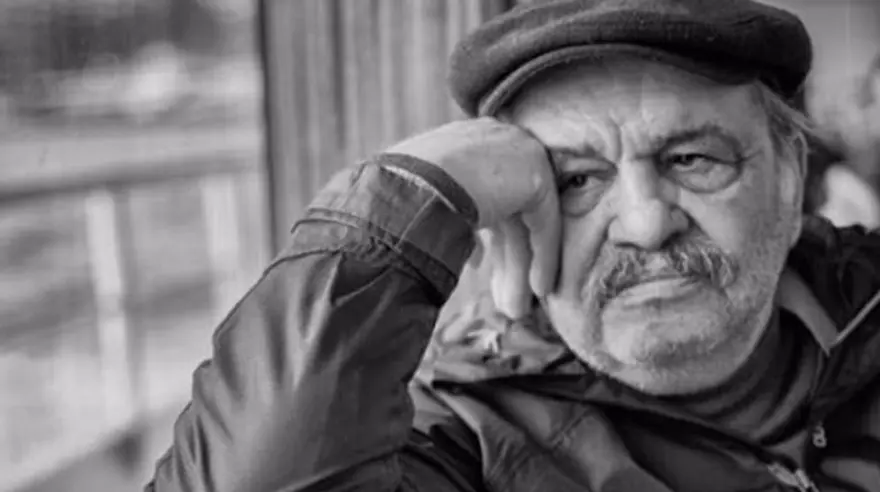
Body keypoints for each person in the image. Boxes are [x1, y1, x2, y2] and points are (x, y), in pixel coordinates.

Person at [146, 1, 880, 491]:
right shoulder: (457, 437)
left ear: (790, 179)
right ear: (514, 224)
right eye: (576, 180)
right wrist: (405, 200)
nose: (646, 224)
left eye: (692, 160)